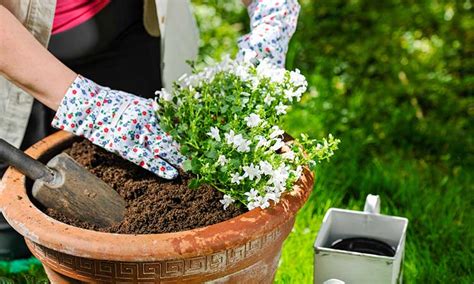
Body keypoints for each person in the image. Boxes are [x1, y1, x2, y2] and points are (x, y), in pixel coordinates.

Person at [0, 0, 300, 260]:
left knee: (146, 149)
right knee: (12, 219)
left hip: (126, 26)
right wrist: (88, 104)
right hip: (14, 47)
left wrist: (273, 14)